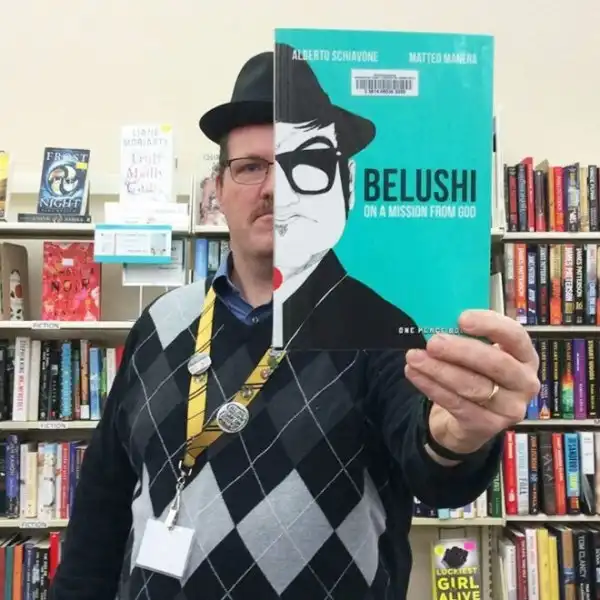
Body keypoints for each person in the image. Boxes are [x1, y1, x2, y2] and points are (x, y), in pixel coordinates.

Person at [49, 48, 540, 600]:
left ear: (340, 186)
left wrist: (457, 439)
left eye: (300, 164)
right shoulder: (162, 323)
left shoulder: (383, 329)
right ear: (217, 191)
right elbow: (102, 509)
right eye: (250, 166)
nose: (274, 188)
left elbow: (430, 458)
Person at [271, 43, 424, 350]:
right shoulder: (177, 319)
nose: (281, 198)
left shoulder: (389, 334)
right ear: (219, 188)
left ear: (349, 182)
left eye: (311, 161)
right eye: (252, 167)